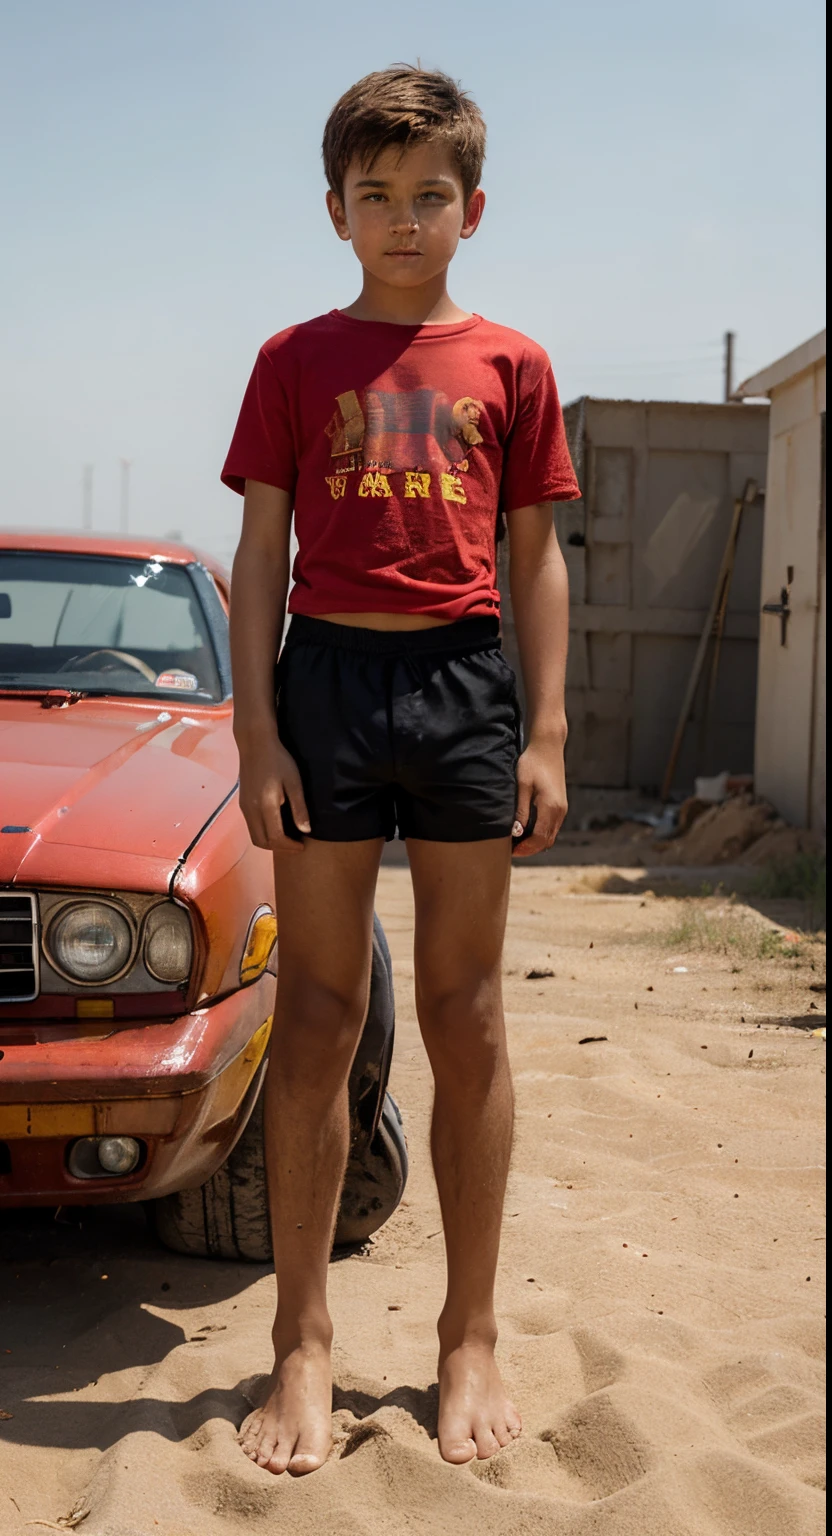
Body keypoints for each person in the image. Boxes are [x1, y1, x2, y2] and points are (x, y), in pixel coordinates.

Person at [222, 63, 579, 1477]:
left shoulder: (514, 365)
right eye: (375, 196)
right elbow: (258, 557)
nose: (403, 218)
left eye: (429, 196)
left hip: (463, 686)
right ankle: (302, 1340)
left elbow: (540, 559)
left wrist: (546, 729)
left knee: (467, 1013)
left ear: (472, 209)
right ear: (335, 211)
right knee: (315, 1015)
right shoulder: (292, 361)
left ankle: (467, 1334)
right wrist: (257, 728)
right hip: (325, 682)